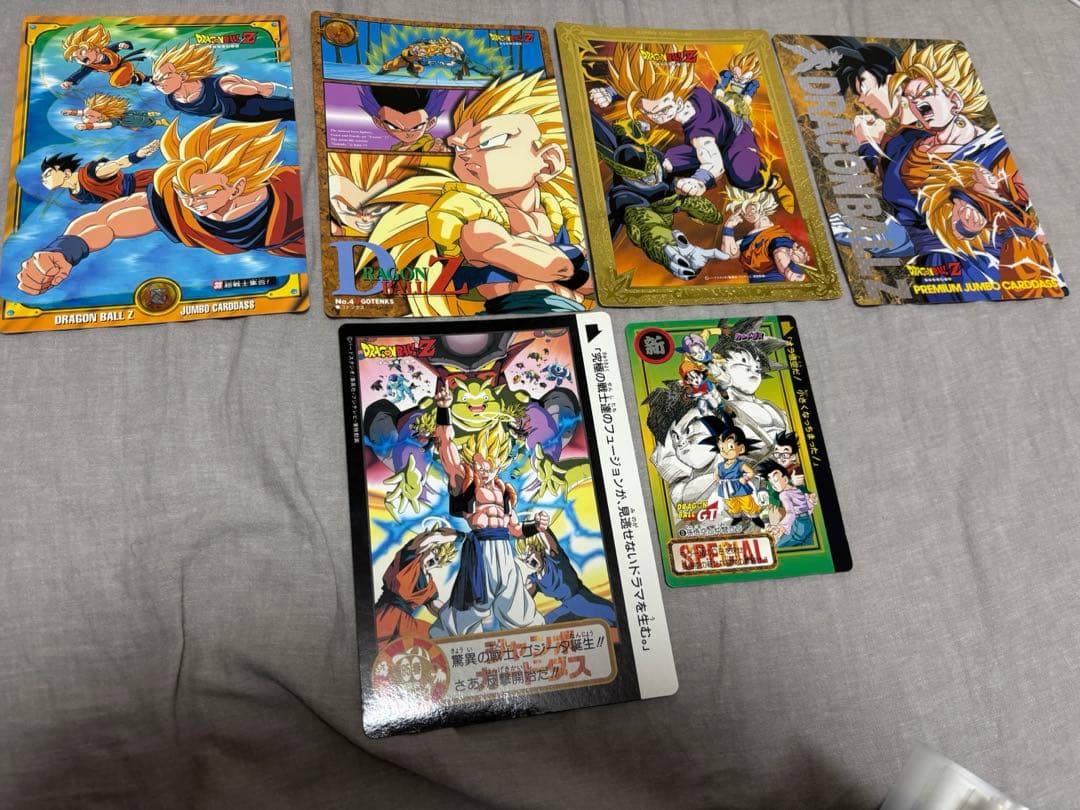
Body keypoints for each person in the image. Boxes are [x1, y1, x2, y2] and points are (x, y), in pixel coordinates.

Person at [357, 73, 590, 316]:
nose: (465, 155)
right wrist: (572, 265)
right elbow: (543, 264)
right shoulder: (466, 211)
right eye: (459, 147)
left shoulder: (563, 214)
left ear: (548, 162)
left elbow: (591, 281)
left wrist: (565, 269)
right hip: (502, 320)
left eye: (490, 142)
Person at [17, 117, 304, 296]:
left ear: (237, 187)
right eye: (184, 192)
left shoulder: (293, 187)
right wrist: (63, 253)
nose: (192, 202)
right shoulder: (176, 204)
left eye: (204, 193)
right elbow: (107, 221)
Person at [428, 382, 545, 637]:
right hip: (480, 550)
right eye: (477, 462)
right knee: (473, 603)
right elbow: (447, 451)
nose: (481, 468)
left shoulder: (505, 493)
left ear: (498, 462)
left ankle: (531, 636)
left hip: (504, 550)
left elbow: (515, 529)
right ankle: (454, 636)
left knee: (515, 601)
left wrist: (536, 526)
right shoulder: (467, 482)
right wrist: (444, 410)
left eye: (487, 463)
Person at [149, 42, 294, 122]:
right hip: (248, 118)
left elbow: (260, 88)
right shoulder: (172, 102)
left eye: (163, 78)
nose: (158, 84)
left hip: (265, 104)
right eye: (155, 80)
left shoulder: (222, 85)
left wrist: (288, 92)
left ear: (183, 75)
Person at [374, 524, 458, 644]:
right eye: (434, 552)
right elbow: (429, 539)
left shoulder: (430, 585)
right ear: (427, 548)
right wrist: (457, 536)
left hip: (406, 625)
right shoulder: (408, 559)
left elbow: (435, 606)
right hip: (384, 617)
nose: (434, 560)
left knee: (437, 635)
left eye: (439, 560)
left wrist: (456, 618)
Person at [518, 532, 616, 626]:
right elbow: (522, 599)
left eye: (530, 553)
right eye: (526, 560)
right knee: (543, 625)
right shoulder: (534, 579)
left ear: (539, 549)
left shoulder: (554, 559)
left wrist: (536, 527)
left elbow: (543, 532)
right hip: (568, 607)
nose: (530, 561)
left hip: (585, 601)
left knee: (614, 616)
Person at [40, 139, 160, 205]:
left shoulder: (91, 173)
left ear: (66, 173)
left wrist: (139, 154)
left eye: (48, 173)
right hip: (133, 203)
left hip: (144, 183)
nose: (44, 179)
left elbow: (120, 163)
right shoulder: (75, 196)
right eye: (43, 177)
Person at [356, 84, 448, 152]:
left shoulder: (429, 145)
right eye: (395, 127)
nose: (407, 134)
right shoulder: (395, 148)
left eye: (416, 127)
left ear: (430, 123)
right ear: (379, 123)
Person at [58, 23, 147, 89]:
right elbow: (80, 73)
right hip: (114, 72)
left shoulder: (106, 50)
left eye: (82, 52)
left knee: (114, 82)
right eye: (76, 58)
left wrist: (123, 45)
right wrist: (68, 81)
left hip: (125, 65)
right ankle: (141, 78)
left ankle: (136, 78)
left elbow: (119, 46)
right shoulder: (90, 66)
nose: (80, 58)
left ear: (95, 49)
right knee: (117, 80)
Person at [758, 459, 817, 548]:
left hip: (799, 526)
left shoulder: (783, 494)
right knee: (808, 545)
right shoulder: (796, 490)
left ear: (785, 479)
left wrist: (781, 527)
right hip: (808, 522)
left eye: (776, 480)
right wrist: (811, 501)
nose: (774, 486)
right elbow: (806, 507)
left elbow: (791, 513)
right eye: (772, 483)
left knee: (779, 547)